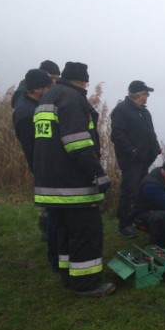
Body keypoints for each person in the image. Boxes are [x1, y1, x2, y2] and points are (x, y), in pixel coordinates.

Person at [33, 61, 115, 297]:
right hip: (74, 185)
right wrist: (98, 173)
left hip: (51, 185)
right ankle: (86, 283)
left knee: (65, 233)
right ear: (83, 81)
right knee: (85, 233)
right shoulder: (72, 99)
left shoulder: (48, 99)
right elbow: (77, 143)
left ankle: (68, 276)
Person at [12, 69, 59, 269]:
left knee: (50, 207)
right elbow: (32, 146)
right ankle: (51, 244)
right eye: (47, 87)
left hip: (44, 164)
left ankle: (51, 239)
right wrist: (41, 167)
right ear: (36, 89)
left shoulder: (33, 105)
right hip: (41, 165)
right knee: (50, 206)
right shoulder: (25, 113)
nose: (50, 90)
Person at [110, 80, 162, 238]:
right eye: (146, 94)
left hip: (145, 158)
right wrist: (131, 151)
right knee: (129, 191)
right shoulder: (122, 110)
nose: (147, 97)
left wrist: (155, 148)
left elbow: (150, 133)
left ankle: (139, 218)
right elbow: (117, 134)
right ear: (139, 95)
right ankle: (124, 224)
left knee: (141, 190)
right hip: (131, 160)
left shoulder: (144, 111)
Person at [130, 157, 165, 248]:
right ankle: (160, 246)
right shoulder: (151, 186)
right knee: (161, 216)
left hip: (160, 207)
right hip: (142, 214)